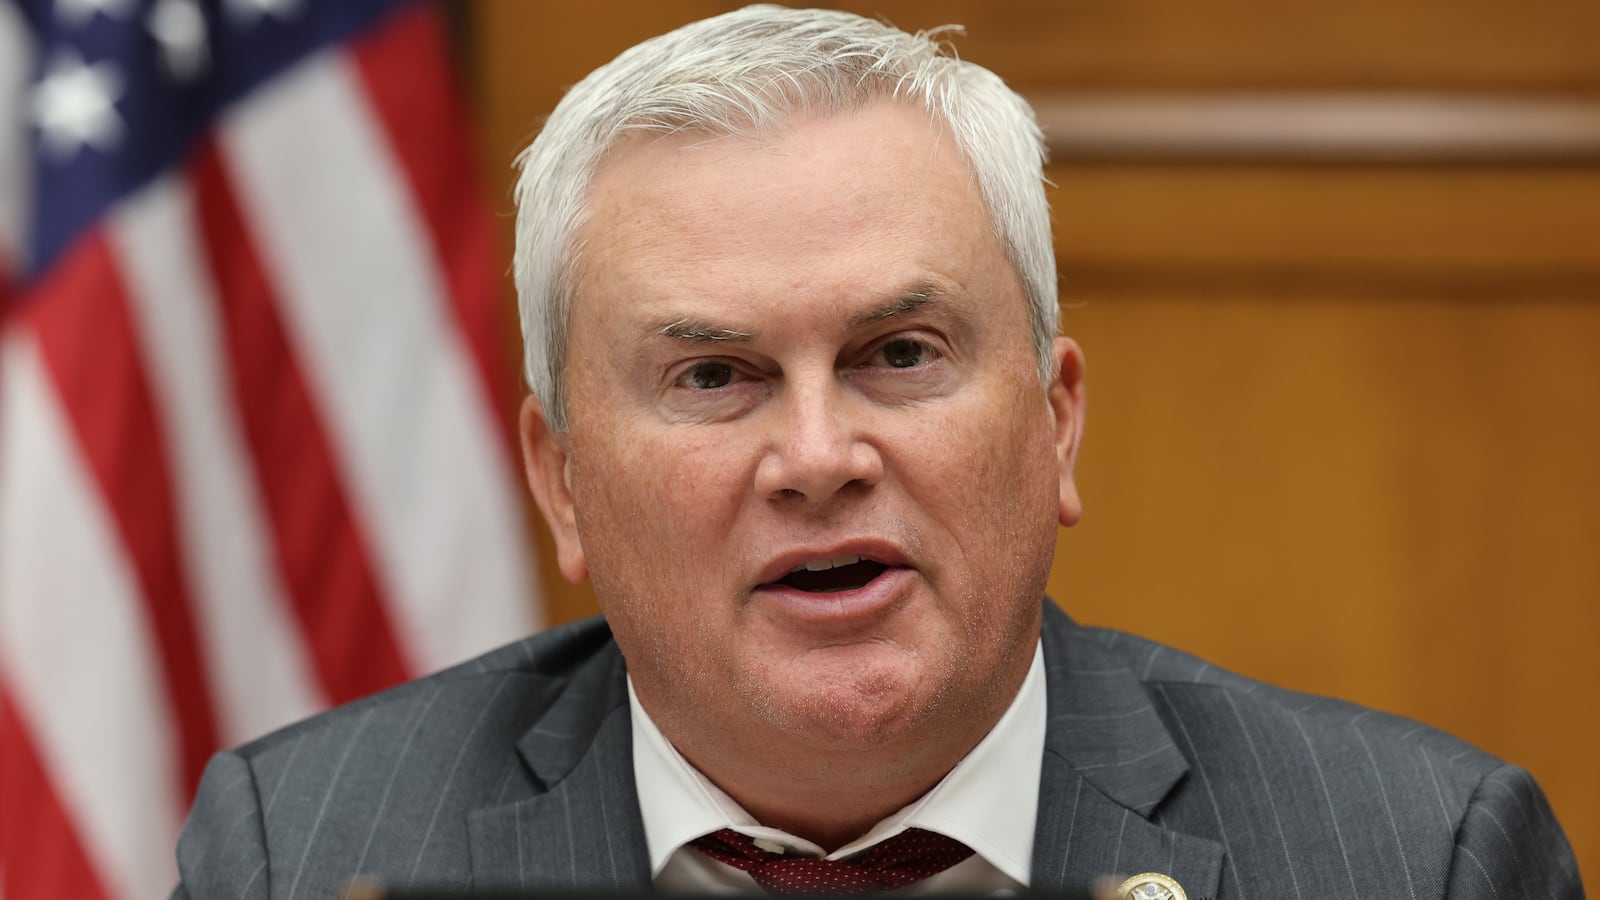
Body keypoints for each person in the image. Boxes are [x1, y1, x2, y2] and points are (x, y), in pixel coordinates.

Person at [171, 6, 1583, 898]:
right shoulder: (303, 853)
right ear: (560, 482)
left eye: (898, 355)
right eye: (714, 376)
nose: (817, 453)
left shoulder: (1416, 857)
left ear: (1054, 421)